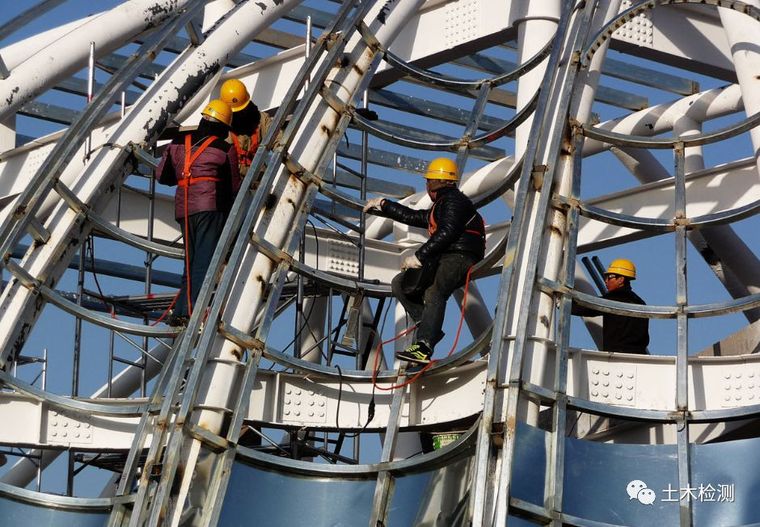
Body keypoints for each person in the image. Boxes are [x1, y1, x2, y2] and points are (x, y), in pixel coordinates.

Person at [363, 158, 486, 364]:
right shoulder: (443, 204)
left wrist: (420, 256)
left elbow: (447, 232)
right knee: (399, 283)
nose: (426, 185)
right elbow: (416, 217)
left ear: (438, 182)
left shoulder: (454, 201)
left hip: (461, 254)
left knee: (435, 291)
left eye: (429, 181)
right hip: (447, 254)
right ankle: (428, 325)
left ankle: (424, 345)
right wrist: (385, 206)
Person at [156, 99, 241, 326]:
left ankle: (182, 309)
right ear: (224, 125)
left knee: (190, 262)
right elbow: (234, 187)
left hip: (183, 209)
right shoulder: (225, 149)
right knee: (204, 261)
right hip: (210, 208)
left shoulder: (177, 143)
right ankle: (191, 311)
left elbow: (162, 176)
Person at [572, 258, 649, 354]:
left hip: (618, 356)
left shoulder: (614, 298)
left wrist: (565, 303)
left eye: (609, 277)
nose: (606, 281)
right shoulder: (640, 302)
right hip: (639, 356)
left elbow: (588, 308)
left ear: (621, 279)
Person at [219, 78, 273, 176]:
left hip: (258, 177)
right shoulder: (220, 127)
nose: (239, 114)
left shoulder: (262, 119)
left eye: (241, 110)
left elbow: (278, 139)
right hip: (233, 180)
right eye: (234, 113)